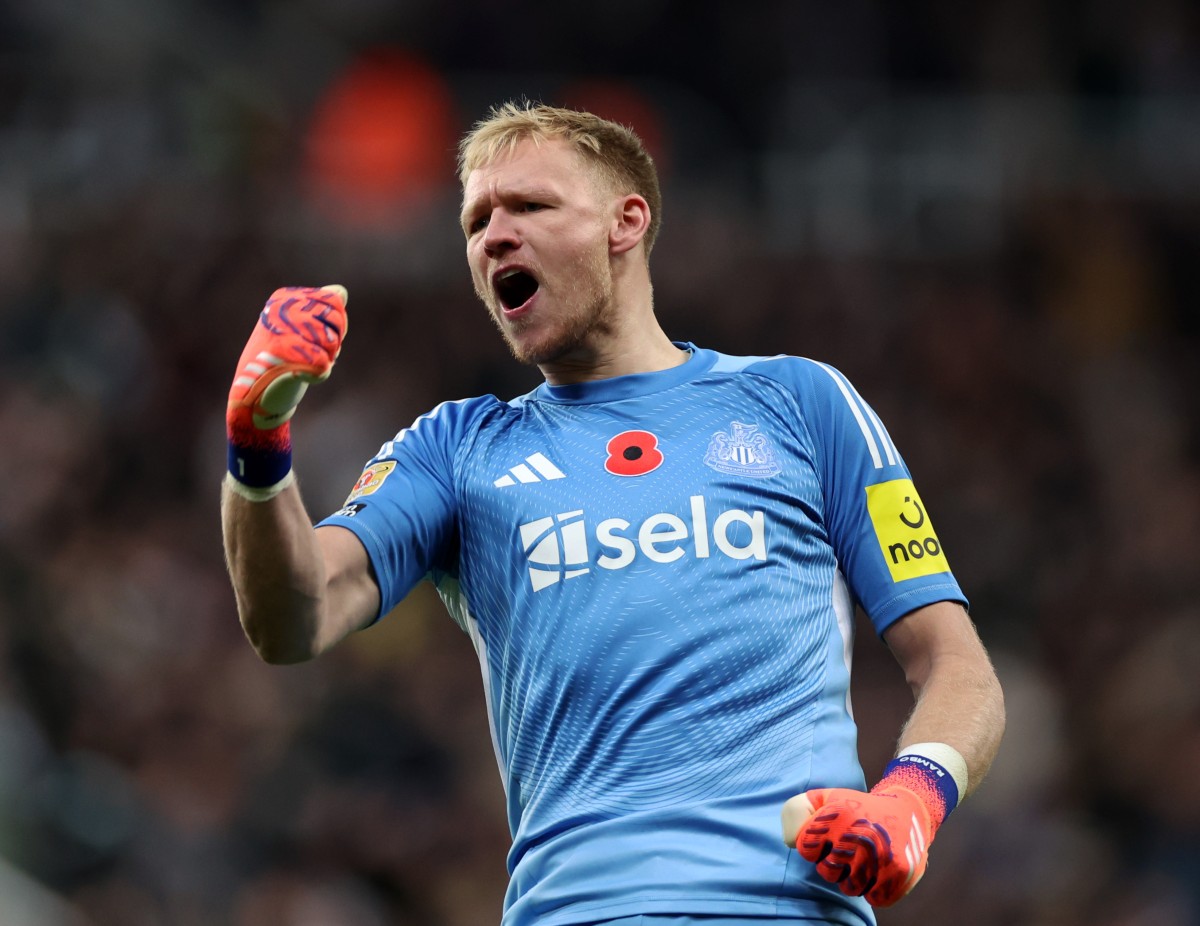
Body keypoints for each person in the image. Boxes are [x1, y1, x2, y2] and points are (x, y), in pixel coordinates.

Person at [221, 101, 1005, 926]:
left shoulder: (800, 403)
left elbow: (959, 669)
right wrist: (256, 442)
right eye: (476, 220)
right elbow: (293, 618)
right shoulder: (455, 449)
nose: (494, 236)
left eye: (529, 206)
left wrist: (912, 800)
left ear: (626, 222)